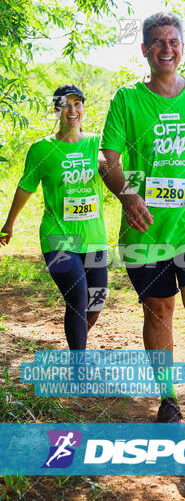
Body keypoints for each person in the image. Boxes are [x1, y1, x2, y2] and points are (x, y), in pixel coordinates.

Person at [99, 12, 185, 422]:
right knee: (158, 310)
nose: (167, 48)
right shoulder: (127, 100)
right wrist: (127, 196)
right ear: (145, 50)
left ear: (182, 47)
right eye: (158, 42)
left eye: (173, 41)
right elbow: (108, 157)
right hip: (146, 231)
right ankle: (168, 399)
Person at [1, 85, 108, 350]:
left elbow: (118, 174)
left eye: (78, 103)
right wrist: (9, 223)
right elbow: (25, 188)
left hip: (94, 238)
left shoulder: (98, 144)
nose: (72, 110)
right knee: (77, 298)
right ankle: (78, 366)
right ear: (56, 109)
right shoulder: (41, 149)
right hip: (57, 237)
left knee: (96, 302)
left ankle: (76, 341)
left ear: (84, 107)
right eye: (66, 104)